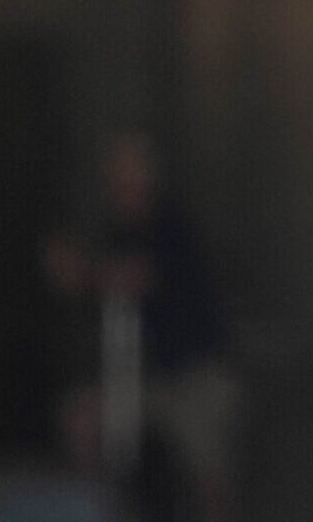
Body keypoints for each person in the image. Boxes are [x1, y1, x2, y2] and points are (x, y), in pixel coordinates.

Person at [44, 134, 241, 522]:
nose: (122, 192)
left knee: (209, 479)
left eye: (131, 181)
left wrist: (81, 270)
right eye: (115, 183)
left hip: (198, 377)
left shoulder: (172, 225)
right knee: (82, 418)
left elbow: (134, 277)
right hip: (145, 381)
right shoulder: (117, 230)